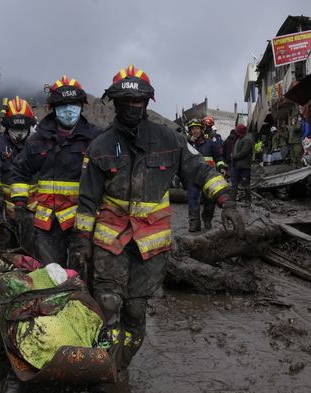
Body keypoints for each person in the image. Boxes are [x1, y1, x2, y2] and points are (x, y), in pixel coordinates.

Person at [74, 65, 244, 376]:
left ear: (146, 103)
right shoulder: (99, 147)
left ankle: (121, 362)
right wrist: (81, 242)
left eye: (137, 101)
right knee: (108, 303)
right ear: (115, 103)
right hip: (111, 241)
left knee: (135, 309)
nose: (131, 107)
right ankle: (105, 366)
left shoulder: (170, 139)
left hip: (150, 246)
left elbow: (201, 171)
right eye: (125, 101)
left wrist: (227, 202)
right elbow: (86, 201)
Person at [9, 75, 100, 266]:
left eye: (73, 104)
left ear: (81, 106)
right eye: (63, 105)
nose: (68, 109)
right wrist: (20, 203)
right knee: (50, 272)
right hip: (46, 222)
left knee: (81, 271)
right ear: (53, 107)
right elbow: (19, 170)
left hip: (81, 221)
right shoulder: (37, 139)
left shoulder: (95, 139)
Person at [0, 96, 36, 251]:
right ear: (7, 126)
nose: (19, 134)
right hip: (5, 209)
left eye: (23, 129)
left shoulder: (38, 146)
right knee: (4, 248)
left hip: (33, 209)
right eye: (15, 129)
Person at [185, 117, 222, 231]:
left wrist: (222, 166)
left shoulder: (210, 143)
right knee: (192, 200)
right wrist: (188, 141)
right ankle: (194, 223)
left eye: (197, 128)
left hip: (208, 177)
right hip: (193, 177)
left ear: (202, 129)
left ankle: (207, 218)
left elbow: (218, 157)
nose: (195, 131)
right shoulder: (187, 144)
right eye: (192, 129)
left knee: (209, 202)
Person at [231, 124, 254, 202]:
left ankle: (248, 200)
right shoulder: (238, 139)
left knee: (246, 184)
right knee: (234, 184)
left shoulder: (247, 140)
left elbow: (244, 152)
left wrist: (234, 156)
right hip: (236, 166)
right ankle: (232, 201)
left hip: (244, 167)